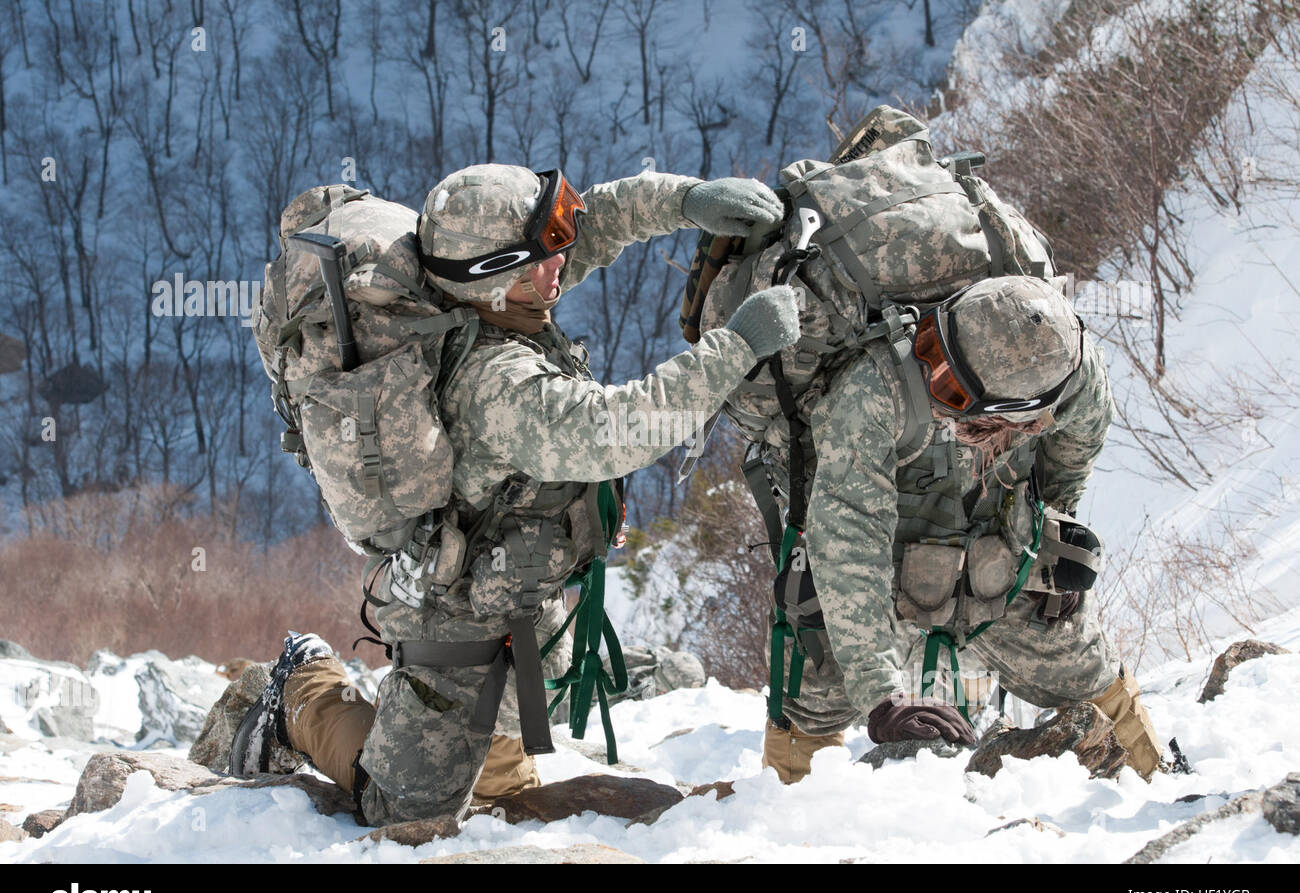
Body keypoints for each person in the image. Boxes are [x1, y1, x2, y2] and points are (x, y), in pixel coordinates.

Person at [228, 163, 803, 827]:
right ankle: (306, 686)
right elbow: (617, 429)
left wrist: (683, 200)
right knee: (404, 813)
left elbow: (597, 224)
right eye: (541, 256)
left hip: (514, 590)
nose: (560, 263)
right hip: (453, 621)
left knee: (505, 776)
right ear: (497, 272)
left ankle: (485, 737)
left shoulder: (492, 290)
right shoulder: (493, 382)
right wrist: (737, 346)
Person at [720, 273, 1164, 783]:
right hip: (866, 563)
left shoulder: (1069, 369)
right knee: (814, 700)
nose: (934, 377)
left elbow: (1079, 443)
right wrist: (882, 696)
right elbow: (848, 541)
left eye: (954, 391)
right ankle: (783, 823)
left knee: (1083, 671)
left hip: (997, 547)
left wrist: (1054, 522)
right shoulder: (872, 391)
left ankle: (1160, 788)